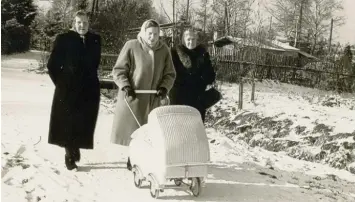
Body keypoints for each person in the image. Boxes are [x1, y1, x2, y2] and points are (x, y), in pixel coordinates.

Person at [111, 19, 176, 170]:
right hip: (134, 96)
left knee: (151, 130)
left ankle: (147, 157)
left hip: (154, 97)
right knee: (134, 130)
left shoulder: (164, 50)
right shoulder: (132, 46)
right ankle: (132, 157)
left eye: (155, 34)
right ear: (143, 33)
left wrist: (164, 87)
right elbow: (119, 70)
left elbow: (170, 74)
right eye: (150, 34)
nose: (152, 37)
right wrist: (126, 86)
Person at [47, 10, 101, 170]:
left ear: (88, 24)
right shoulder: (64, 39)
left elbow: (95, 63)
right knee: (68, 122)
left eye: (85, 23)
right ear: (74, 23)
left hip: (88, 89)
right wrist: (62, 83)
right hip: (68, 90)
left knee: (84, 121)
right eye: (79, 22)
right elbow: (52, 65)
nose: (82, 26)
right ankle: (69, 154)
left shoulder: (95, 40)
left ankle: (75, 146)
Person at [169, 28, 216, 123]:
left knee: (196, 126)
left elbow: (210, 74)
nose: (191, 42)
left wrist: (204, 80)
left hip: (197, 96)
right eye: (188, 39)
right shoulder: (175, 53)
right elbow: (171, 73)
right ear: (183, 40)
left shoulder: (202, 53)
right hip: (179, 96)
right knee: (179, 125)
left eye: (193, 39)